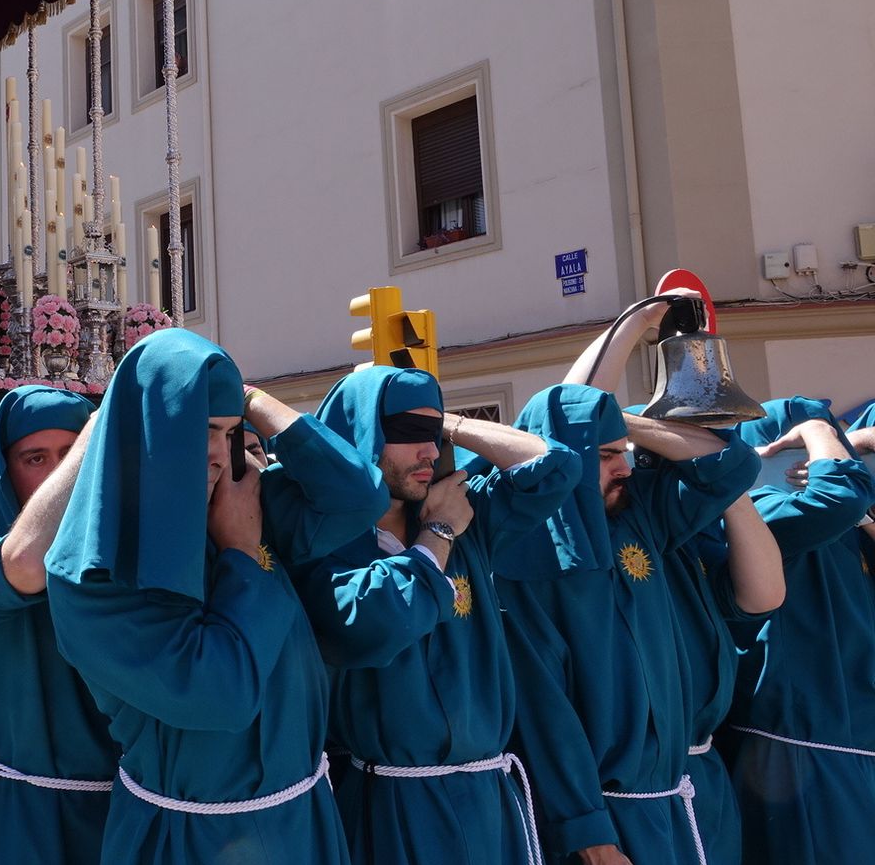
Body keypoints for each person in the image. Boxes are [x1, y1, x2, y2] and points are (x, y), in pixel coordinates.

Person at [45, 328, 350, 864]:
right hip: (184, 841)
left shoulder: (235, 504)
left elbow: (356, 497)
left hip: (301, 826)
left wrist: (252, 399)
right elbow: (220, 695)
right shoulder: (88, 579)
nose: (217, 456)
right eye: (203, 428)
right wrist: (240, 553)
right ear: (148, 428)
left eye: (231, 433)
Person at [496, 300, 764, 865]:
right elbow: (548, 716)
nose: (626, 467)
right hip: (608, 819)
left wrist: (621, 420)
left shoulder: (639, 518)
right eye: (608, 455)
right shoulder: (525, 557)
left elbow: (727, 465)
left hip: (675, 802)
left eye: (625, 453)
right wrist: (590, 833)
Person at [296, 368, 579, 864]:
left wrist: (448, 425)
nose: (426, 450)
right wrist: (438, 534)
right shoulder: (326, 545)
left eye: (431, 436)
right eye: (405, 433)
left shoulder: (468, 513)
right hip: (393, 805)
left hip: (489, 803)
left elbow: (557, 466)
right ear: (361, 434)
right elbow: (375, 626)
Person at [0, 387, 113, 865]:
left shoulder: (122, 547)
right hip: (18, 812)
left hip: (123, 807)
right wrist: (93, 436)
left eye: (70, 452)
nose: (58, 471)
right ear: (3, 469)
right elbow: (28, 562)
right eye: (36, 458)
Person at [723, 398, 875, 864]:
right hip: (796, 755)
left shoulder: (856, 522)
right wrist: (818, 431)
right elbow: (835, 499)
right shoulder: (758, 513)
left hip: (851, 747)